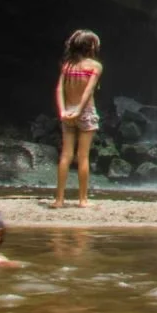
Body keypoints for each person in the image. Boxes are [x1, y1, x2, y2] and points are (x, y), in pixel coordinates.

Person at [53, 29, 103, 209]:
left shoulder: (67, 65)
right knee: (83, 157)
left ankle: (59, 200)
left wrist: (63, 111)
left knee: (65, 156)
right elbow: (88, 91)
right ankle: (83, 200)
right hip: (86, 112)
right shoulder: (95, 66)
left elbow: (59, 89)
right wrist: (80, 111)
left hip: (68, 111)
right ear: (90, 46)